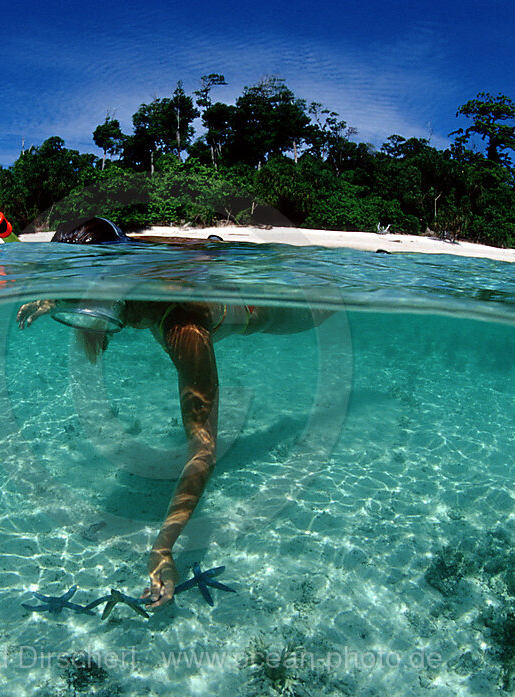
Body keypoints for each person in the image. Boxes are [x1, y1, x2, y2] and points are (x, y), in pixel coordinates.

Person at [16, 217, 329, 608]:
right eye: (72, 294)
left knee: (334, 304)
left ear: (120, 282)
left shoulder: (183, 324)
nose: (86, 312)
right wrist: (53, 301)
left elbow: (203, 451)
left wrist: (162, 550)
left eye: (86, 298)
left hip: (285, 308)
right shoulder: (119, 284)